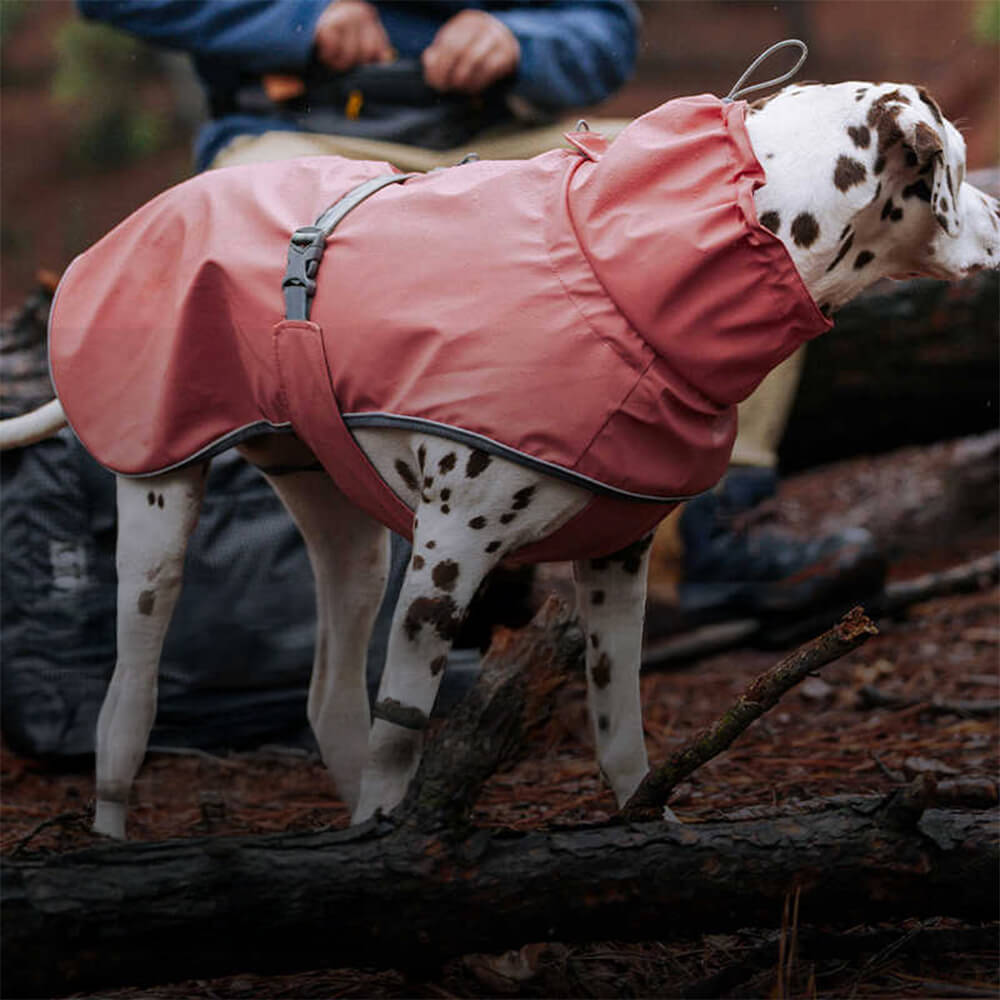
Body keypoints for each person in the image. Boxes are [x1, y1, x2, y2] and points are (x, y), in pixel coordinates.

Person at [77, 0, 883, 646]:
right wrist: (297, 18)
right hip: (308, 141)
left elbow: (604, 27)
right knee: (248, 236)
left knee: (724, 216)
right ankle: (372, 592)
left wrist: (519, 38)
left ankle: (708, 546)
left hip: (508, 147)